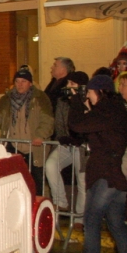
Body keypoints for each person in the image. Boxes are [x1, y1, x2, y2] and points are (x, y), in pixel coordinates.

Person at [60, 75, 127, 253]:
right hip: (121, 176)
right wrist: (87, 108)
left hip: (108, 174)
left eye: (90, 92)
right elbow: (102, 131)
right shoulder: (123, 108)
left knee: (92, 221)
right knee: (116, 224)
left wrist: (76, 101)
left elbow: (77, 125)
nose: (88, 96)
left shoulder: (108, 109)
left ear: (100, 92)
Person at [0, 67, 54, 196]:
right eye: (17, 81)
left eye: (23, 81)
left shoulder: (40, 98)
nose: (20, 84)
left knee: (36, 180)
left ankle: (35, 207)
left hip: (34, 148)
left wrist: (40, 135)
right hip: (13, 145)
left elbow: (47, 119)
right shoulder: (7, 99)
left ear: (30, 83)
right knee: (12, 179)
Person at [44, 71, 89, 219]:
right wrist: (63, 137)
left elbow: (86, 124)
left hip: (82, 147)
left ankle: (80, 217)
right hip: (67, 144)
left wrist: (79, 138)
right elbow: (59, 123)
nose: (68, 86)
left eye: (72, 84)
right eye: (68, 83)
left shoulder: (86, 101)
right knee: (51, 165)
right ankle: (61, 201)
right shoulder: (63, 101)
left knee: (82, 180)